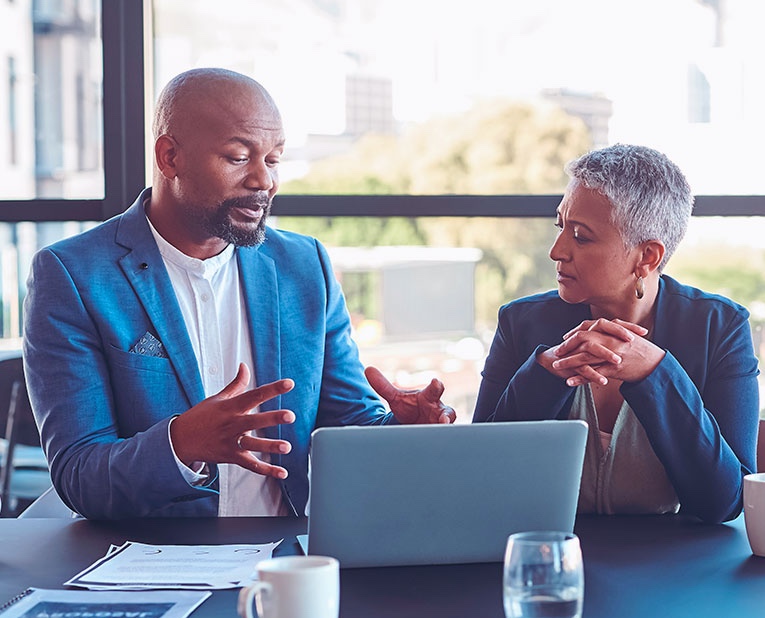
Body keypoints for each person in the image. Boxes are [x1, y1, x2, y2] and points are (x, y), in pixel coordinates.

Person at [23, 67, 455, 520]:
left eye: (273, 159)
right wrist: (180, 444)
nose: (263, 181)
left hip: (288, 557)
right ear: (170, 157)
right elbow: (78, 474)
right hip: (151, 561)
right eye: (237, 157)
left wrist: (402, 432)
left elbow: (348, 425)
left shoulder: (306, 267)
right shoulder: (72, 275)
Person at [472, 144, 759, 524]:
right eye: (561, 227)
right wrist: (544, 371)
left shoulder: (720, 328)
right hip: (548, 555)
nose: (557, 251)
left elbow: (726, 501)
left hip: (676, 569)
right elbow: (479, 475)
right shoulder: (520, 323)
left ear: (647, 257)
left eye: (582, 237)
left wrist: (655, 373)